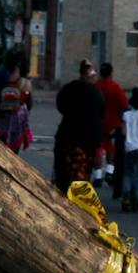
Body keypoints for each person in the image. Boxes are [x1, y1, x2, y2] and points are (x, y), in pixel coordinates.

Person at [52, 60, 108, 189]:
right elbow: (99, 115)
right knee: (80, 180)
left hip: (65, 139)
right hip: (85, 144)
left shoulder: (68, 89)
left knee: (64, 178)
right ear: (91, 77)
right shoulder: (96, 94)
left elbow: (60, 106)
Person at [95, 61, 129, 187]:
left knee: (98, 148)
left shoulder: (96, 86)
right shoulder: (115, 87)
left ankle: (97, 175)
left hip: (98, 122)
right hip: (113, 123)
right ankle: (109, 171)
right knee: (111, 148)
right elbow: (124, 105)